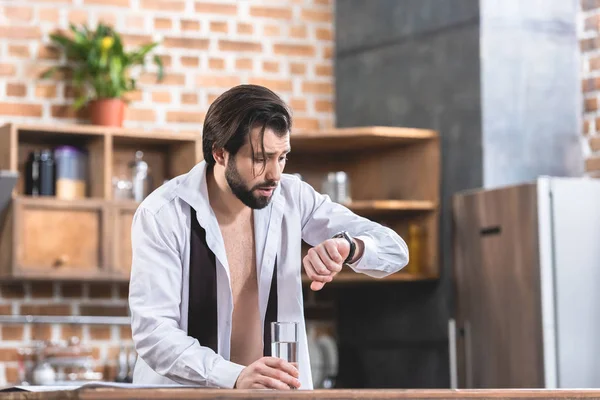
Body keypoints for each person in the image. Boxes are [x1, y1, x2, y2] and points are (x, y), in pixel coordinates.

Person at [128, 84, 409, 390]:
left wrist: (349, 247)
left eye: (282, 157)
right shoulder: (163, 214)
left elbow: (395, 251)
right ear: (220, 153)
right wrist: (234, 376)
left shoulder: (293, 197)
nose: (275, 174)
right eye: (261, 159)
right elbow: (153, 333)